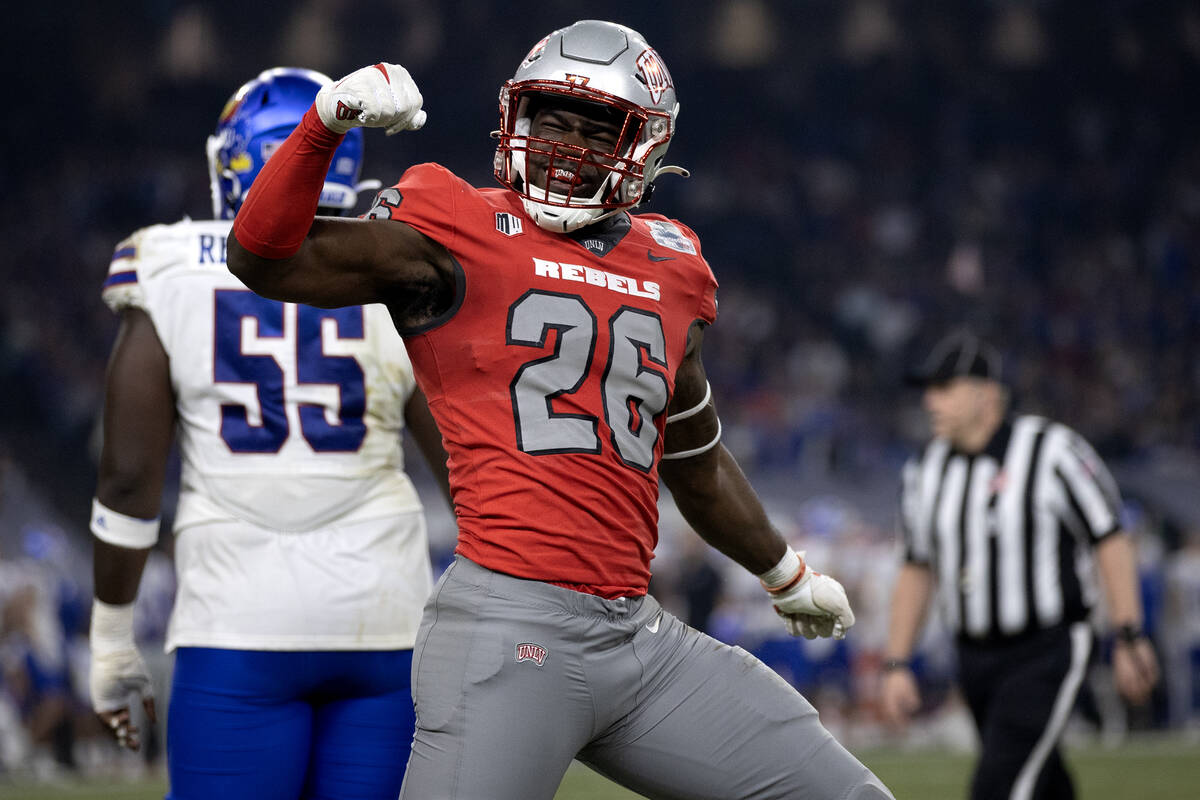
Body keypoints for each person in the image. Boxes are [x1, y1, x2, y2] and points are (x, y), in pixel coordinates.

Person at [226, 19, 894, 800]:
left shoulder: (675, 264)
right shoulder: (453, 221)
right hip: (507, 628)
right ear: (516, 120)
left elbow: (695, 457)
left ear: (644, 145)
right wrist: (325, 125)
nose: (568, 145)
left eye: (596, 129)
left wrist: (784, 574)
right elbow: (264, 259)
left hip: (638, 639)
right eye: (552, 121)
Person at [88, 67, 450, 800]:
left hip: (237, 622)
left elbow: (128, 480)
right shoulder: (397, 266)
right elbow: (463, 457)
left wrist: (111, 636)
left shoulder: (167, 264)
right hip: (385, 618)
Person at [879, 329, 1160, 800]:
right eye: (929, 389)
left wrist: (1129, 633)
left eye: (944, 388)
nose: (930, 401)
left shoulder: (1052, 451)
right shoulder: (924, 470)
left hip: (1047, 647)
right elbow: (916, 566)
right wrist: (896, 662)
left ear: (985, 394)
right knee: (1041, 781)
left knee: (1000, 783)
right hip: (973, 656)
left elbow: (1109, 537)